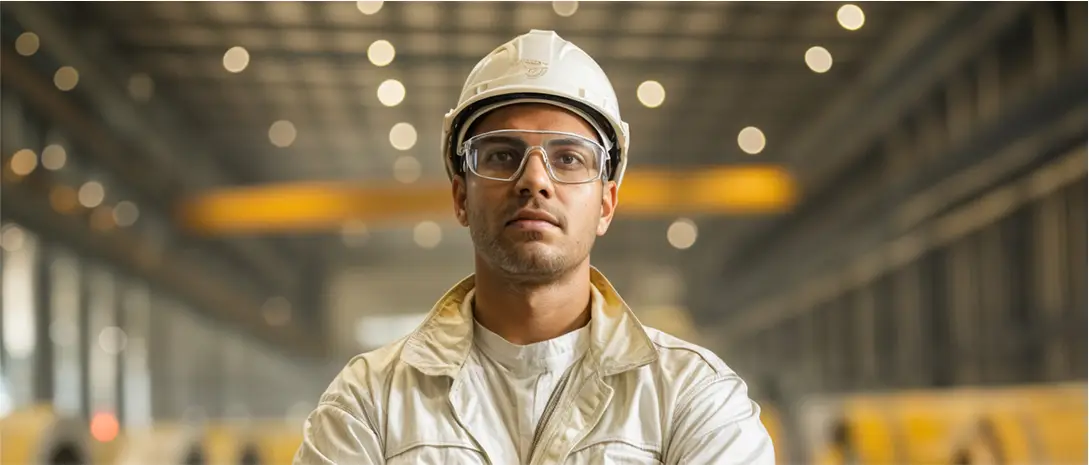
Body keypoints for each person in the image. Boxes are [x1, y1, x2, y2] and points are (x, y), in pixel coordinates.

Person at [293, 29, 776, 465]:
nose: (534, 180)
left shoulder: (694, 399)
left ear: (606, 203)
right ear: (461, 196)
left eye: (567, 157)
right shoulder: (369, 404)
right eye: (502, 155)